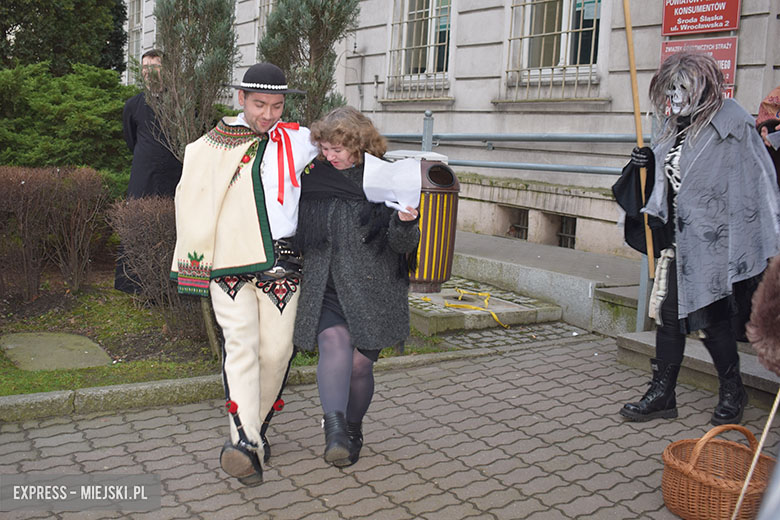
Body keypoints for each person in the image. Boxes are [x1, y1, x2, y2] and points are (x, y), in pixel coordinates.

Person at [170, 63, 318, 486]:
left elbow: (348, 148)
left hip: (281, 262)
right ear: (241, 99)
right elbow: (192, 204)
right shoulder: (208, 147)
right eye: (259, 105)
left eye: (276, 105)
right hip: (229, 266)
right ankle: (244, 442)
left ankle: (254, 432)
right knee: (241, 349)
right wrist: (195, 266)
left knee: (276, 353)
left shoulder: (299, 139)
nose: (268, 114)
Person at [614, 52, 780, 426]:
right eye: (670, 89)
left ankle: (732, 391)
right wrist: (645, 164)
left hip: (717, 244)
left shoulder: (732, 123)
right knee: (671, 318)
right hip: (680, 242)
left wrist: (760, 240)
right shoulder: (676, 127)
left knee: (713, 322)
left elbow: (757, 183)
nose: (674, 96)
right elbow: (669, 181)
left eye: (682, 88)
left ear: (702, 87)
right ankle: (663, 393)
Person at [293, 106, 420, 467]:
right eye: (325, 148)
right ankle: (334, 433)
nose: (329, 156)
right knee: (333, 342)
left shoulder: (384, 179)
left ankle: (352, 427)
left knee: (360, 368)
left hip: (373, 290)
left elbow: (402, 247)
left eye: (337, 149)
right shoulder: (313, 177)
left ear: (359, 145)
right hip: (327, 285)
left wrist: (406, 221)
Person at [115, 49, 184, 294]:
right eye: (145, 67)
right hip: (143, 174)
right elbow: (130, 138)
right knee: (139, 222)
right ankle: (135, 286)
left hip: (175, 174)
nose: (150, 71)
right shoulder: (133, 105)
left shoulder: (180, 103)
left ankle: (169, 288)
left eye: (156, 66)